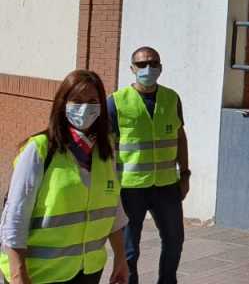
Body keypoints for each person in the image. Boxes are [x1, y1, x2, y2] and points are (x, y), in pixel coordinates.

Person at [0, 70, 130, 284]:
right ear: (62, 104)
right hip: (39, 274)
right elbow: (15, 217)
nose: (85, 107)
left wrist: (120, 258)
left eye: (92, 100)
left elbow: (113, 210)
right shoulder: (40, 149)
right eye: (77, 100)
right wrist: (18, 274)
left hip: (88, 271)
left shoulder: (105, 151)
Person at [108, 47, 189, 284]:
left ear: (161, 68)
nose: (148, 69)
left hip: (166, 186)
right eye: (141, 64)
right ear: (132, 68)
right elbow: (107, 147)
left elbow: (179, 136)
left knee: (175, 240)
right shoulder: (115, 102)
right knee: (129, 250)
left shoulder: (172, 98)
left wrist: (185, 174)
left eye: (153, 64)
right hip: (130, 188)